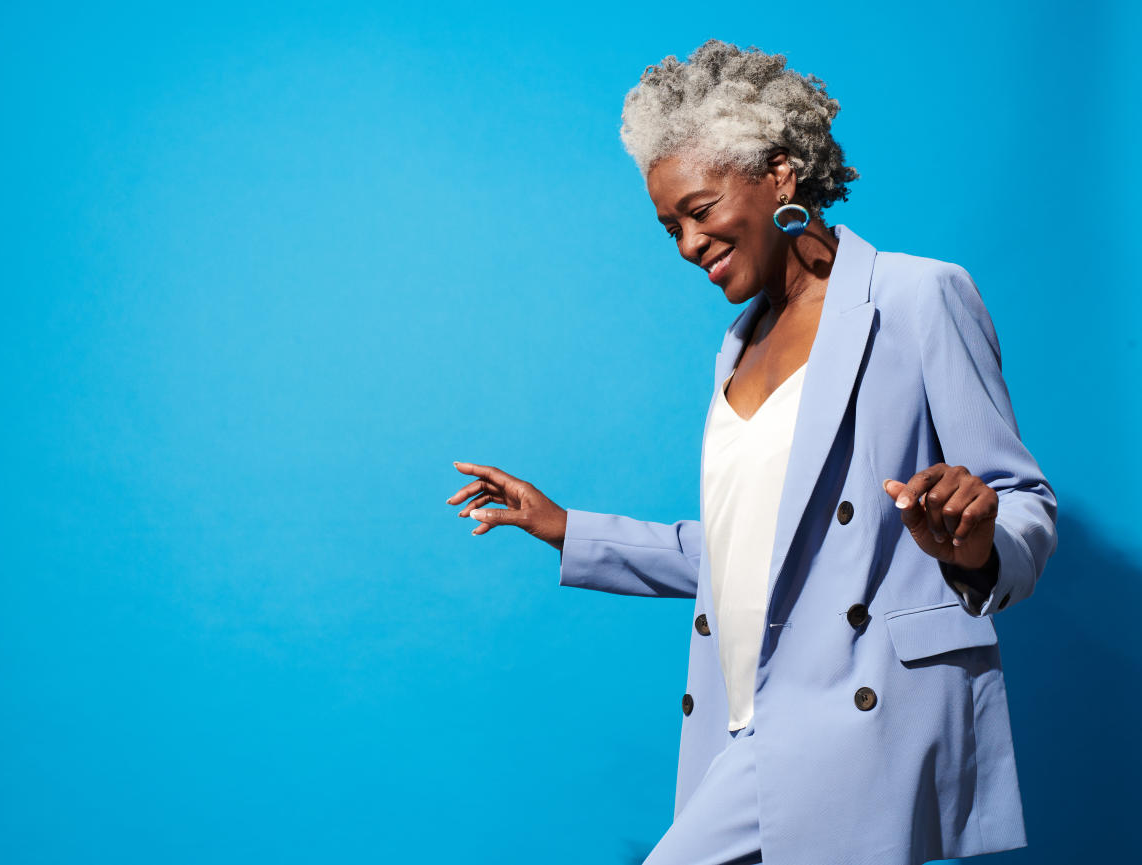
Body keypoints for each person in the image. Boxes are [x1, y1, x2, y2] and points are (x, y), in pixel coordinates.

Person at [445, 40, 1057, 865]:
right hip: (742, 713)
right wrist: (567, 528)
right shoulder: (738, 343)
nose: (688, 244)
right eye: (670, 227)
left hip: (854, 712)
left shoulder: (916, 296)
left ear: (779, 175)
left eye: (699, 210)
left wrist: (979, 543)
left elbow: (1020, 497)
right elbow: (751, 554)